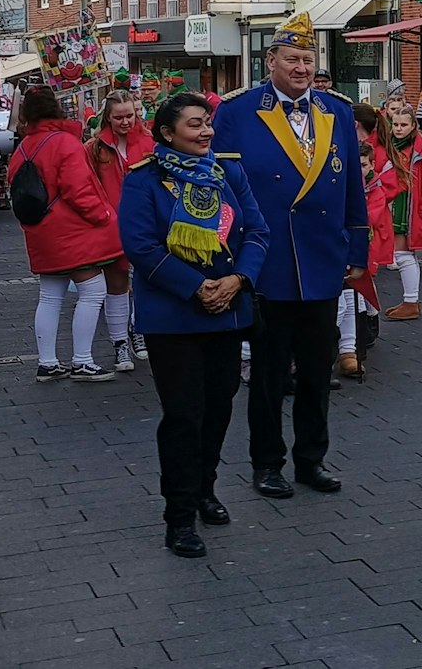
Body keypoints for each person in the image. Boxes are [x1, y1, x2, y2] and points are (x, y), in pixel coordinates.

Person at [211, 12, 368, 500]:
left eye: (308, 58)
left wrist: (356, 247)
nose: (302, 67)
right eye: (292, 58)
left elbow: (353, 189)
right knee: (269, 372)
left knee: (318, 371)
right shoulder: (237, 113)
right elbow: (223, 193)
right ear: (270, 61)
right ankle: (267, 462)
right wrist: (230, 259)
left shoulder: (337, 111)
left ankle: (312, 458)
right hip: (268, 260)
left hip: (322, 258)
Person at [119, 92, 269, 557]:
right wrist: (195, 287)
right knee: (183, 415)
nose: (205, 132)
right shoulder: (145, 181)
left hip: (227, 310)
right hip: (175, 317)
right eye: (193, 125)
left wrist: (237, 278)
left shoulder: (229, 172)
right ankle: (179, 516)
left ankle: (206, 488)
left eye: (206, 123)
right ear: (167, 133)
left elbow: (258, 232)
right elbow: (141, 247)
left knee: (220, 406)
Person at [9, 87, 122, 383]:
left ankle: (47, 362)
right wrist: (105, 215)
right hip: (72, 231)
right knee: (94, 290)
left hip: (40, 229)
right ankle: (82, 360)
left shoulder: (22, 147)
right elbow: (78, 190)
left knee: (49, 295)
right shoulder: (64, 143)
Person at [90, 90, 156, 371]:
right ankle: (120, 345)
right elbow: (89, 185)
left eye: (130, 115)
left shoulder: (150, 142)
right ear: (108, 117)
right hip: (111, 224)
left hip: (145, 224)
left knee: (143, 283)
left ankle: (139, 332)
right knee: (116, 287)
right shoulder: (94, 147)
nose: (126, 121)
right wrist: (104, 214)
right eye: (119, 117)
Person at [378, 100, 422, 322]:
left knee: (403, 254)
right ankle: (409, 300)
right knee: (399, 253)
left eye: (403, 125)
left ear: (413, 125)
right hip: (391, 203)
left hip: (408, 207)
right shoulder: (389, 145)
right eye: (395, 124)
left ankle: (411, 301)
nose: (398, 129)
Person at [341, 117, 393, 380]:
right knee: (343, 300)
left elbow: (370, 219)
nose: (360, 170)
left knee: (359, 297)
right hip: (338, 247)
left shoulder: (374, 189)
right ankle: (344, 348)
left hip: (365, 248)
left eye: (364, 165)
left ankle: (352, 347)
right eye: (357, 165)